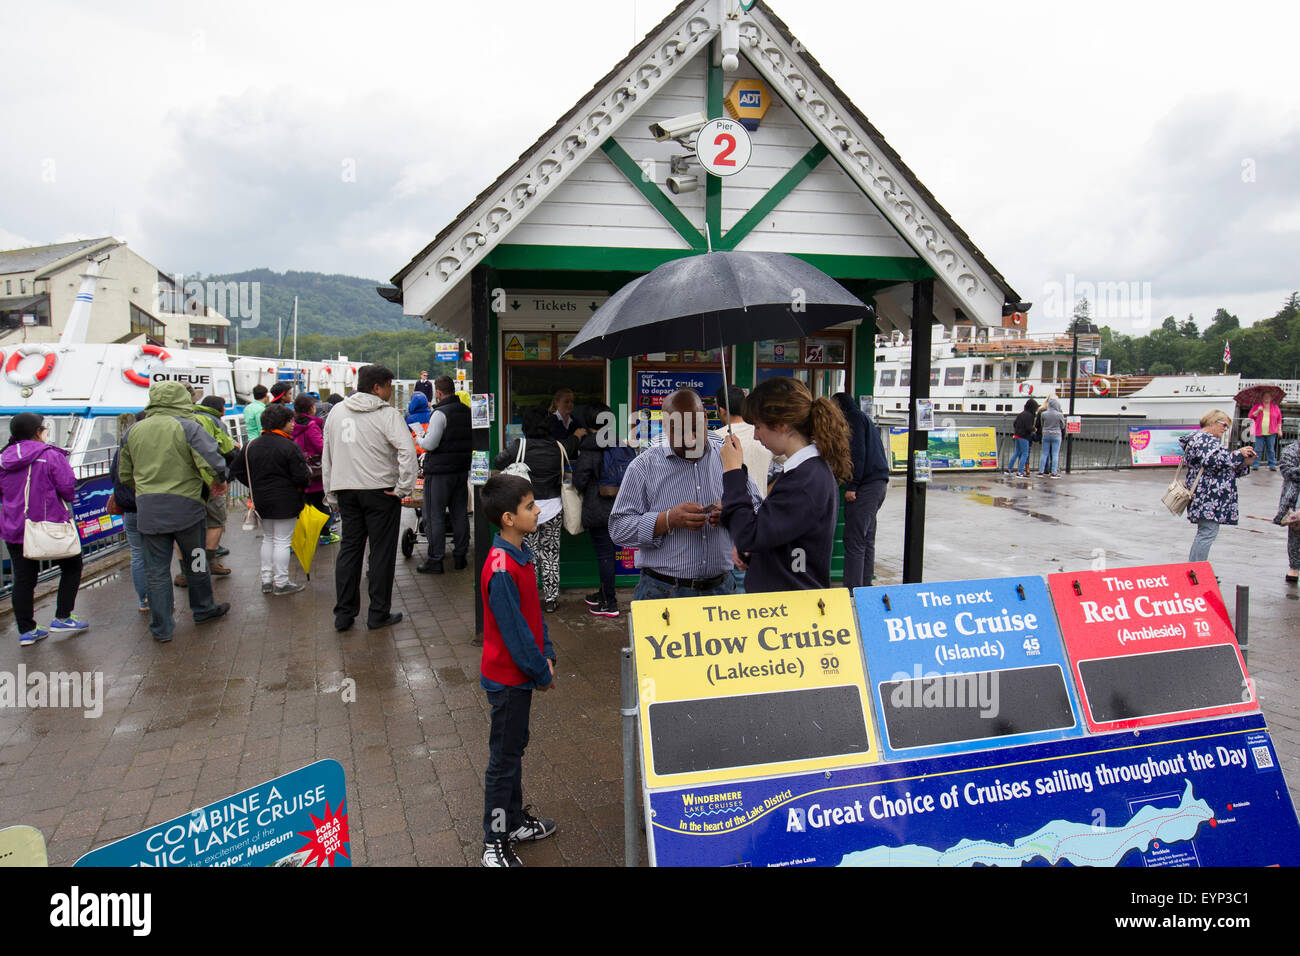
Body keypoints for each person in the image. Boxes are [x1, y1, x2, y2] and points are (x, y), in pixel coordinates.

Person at [610, 388, 759, 601]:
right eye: (679, 432)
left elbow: (759, 509)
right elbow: (618, 529)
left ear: (706, 418)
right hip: (662, 592)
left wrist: (731, 510)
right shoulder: (643, 467)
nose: (690, 439)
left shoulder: (727, 457)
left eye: (695, 428)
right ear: (665, 427)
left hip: (721, 590)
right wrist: (666, 520)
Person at [477, 473, 557, 867]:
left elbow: (534, 615)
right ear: (509, 518)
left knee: (512, 752)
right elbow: (515, 632)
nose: (537, 510)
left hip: (520, 677)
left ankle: (511, 822)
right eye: (529, 506)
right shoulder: (502, 568)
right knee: (502, 761)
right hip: (508, 681)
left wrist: (548, 653)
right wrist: (540, 671)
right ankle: (494, 839)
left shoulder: (520, 555)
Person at [119, 381, 231, 642]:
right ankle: (203, 608)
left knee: (156, 570)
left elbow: (124, 473)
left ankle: (161, 628)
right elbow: (214, 458)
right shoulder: (188, 426)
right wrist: (219, 479)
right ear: (182, 398)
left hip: (148, 508)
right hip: (187, 506)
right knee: (196, 560)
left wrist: (145, 488)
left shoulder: (134, 430)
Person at [720, 378, 850, 592]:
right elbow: (788, 539)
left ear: (782, 425)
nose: (755, 435)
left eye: (759, 426)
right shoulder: (807, 472)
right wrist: (757, 555)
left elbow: (749, 535)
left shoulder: (805, 480)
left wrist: (733, 471)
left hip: (788, 608)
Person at [322, 364, 417, 631]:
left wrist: (330, 492)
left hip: (346, 490)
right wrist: (403, 488)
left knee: (349, 550)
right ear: (377, 387)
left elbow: (327, 454)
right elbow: (407, 452)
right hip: (380, 491)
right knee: (381, 553)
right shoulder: (387, 414)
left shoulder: (337, 412)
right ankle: (377, 614)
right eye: (388, 385)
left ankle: (344, 614)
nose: (389, 391)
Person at [0, 413, 87, 645]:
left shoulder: (3, 458)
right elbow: (68, 488)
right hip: (49, 524)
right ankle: (62, 616)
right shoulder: (49, 456)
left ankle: (26, 631)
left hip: (14, 526)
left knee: (23, 579)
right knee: (72, 565)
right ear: (38, 432)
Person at [494, 406, 568, 611]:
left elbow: (498, 461)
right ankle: (551, 600)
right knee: (552, 554)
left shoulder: (520, 446)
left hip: (527, 510)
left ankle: (530, 597)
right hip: (554, 508)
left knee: (529, 554)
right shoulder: (558, 447)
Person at [232, 403, 311, 595]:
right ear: (281, 423)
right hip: (286, 499)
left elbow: (237, 470)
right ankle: (282, 582)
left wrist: (254, 484)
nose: (293, 424)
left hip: (261, 499)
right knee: (283, 540)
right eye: (289, 421)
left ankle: (266, 579)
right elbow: (302, 476)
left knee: (268, 538)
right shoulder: (289, 446)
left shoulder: (251, 445)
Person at [572, 403, 634, 617]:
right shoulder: (621, 443)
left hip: (598, 510)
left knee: (605, 556)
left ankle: (610, 602)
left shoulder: (589, 448)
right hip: (621, 508)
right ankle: (603, 593)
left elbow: (579, 481)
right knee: (610, 554)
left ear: (589, 423)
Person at [1180, 408, 1257, 564]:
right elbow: (1211, 461)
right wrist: (1238, 454)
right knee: (1207, 533)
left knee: (1207, 533)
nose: (1225, 429)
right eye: (1224, 425)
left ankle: (1196, 567)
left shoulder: (1207, 440)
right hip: (1207, 495)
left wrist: (1244, 463)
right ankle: (1196, 569)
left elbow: (1223, 467)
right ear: (1212, 422)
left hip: (1210, 495)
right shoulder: (1203, 439)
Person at [175, 394, 237, 584]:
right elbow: (225, 450)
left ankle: (186, 572)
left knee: (186, 530)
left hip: (178, 486)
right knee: (215, 521)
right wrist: (221, 477)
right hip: (208, 482)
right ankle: (205, 566)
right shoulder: (213, 422)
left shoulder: (162, 423)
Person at [833, 391, 889, 590]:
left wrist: (852, 485)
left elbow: (857, 453)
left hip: (865, 487)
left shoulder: (853, 419)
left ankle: (852, 591)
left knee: (854, 540)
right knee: (866, 539)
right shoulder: (865, 418)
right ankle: (864, 587)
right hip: (878, 484)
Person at [417, 374, 471, 574]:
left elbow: (431, 443)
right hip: (460, 470)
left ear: (438, 393)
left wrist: (421, 440)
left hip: (439, 472)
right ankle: (460, 556)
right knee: (459, 513)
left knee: (434, 515)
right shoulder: (467, 411)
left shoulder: (440, 414)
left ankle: (435, 559)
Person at [111, 411, 149, 613]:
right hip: (149, 505)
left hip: (129, 508)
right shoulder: (150, 445)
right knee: (156, 553)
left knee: (137, 554)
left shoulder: (123, 445)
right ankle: (159, 596)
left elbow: (114, 474)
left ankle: (144, 599)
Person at [712, 384, 773, 498]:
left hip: (727, 508)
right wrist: (769, 491)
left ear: (721, 410)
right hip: (760, 508)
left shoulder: (714, 439)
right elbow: (790, 461)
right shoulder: (764, 435)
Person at [291, 394, 335, 545]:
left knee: (307, 504)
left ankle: (308, 532)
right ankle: (324, 533)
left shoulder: (293, 424)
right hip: (315, 471)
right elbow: (321, 447)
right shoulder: (311, 425)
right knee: (321, 503)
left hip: (301, 468)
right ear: (311, 408)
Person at [1274, 438, 1300, 583]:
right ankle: (1294, 568)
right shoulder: (1292, 449)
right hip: (1296, 500)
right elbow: (1287, 470)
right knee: (1296, 534)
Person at [1250, 392, 1281, 472]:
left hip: (1271, 432)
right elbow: (1251, 416)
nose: (1267, 398)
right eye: (1265, 396)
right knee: (1258, 449)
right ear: (1262, 398)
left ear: (1271, 398)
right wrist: (1258, 411)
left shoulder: (1275, 407)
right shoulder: (1257, 406)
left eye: (1268, 396)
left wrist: (1279, 430)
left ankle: (1272, 465)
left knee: (1270, 449)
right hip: (1259, 432)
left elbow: (1279, 420)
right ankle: (1255, 464)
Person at [1009, 397, 1039, 478]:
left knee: (1016, 452)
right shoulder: (1030, 416)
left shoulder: (1021, 413)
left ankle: (1009, 469)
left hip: (1017, 435)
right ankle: (1020, 472)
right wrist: (1034, 429)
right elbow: (1029, 427)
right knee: (1025, 454)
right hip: (1024, 437)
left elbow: (1015, 423)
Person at [1037, 394, 1065, 478]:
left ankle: (1041, 471)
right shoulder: (1059, 414)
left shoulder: (1044, 414)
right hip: (1056, 435)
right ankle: (1053, 472)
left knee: (1044, 453)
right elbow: (1063, 425)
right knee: (1055, 454)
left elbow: (1042, 424)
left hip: (1046, 435)